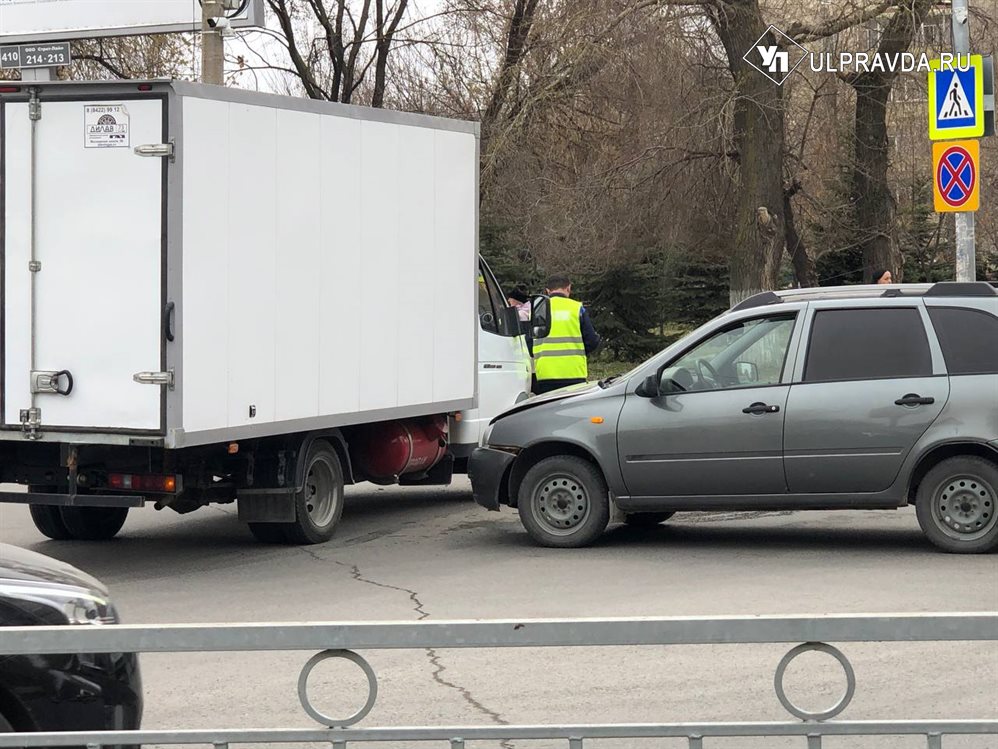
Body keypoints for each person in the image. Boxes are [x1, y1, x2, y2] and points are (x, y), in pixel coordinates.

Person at [532, 274, 600, 395]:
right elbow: (592, 340)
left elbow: (528, 342)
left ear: (547, 291)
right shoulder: (577, 308)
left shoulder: (537, 310)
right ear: (568, 288)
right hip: (574, 373)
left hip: (545, 374)